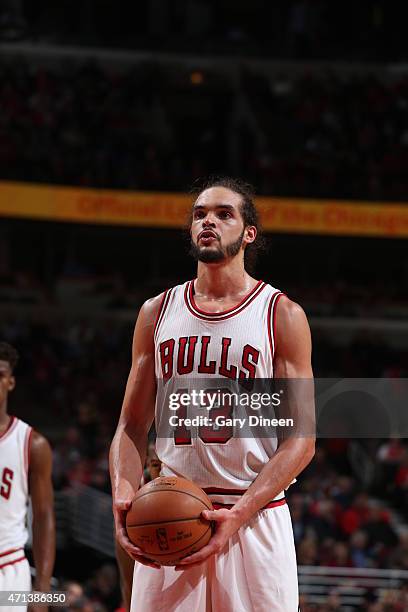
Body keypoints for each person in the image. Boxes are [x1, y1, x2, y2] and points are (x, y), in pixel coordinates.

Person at [110, 177, 315, 611]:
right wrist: (124, 493)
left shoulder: (282, 315)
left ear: (248, 233)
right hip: (169, 513)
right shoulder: (156, 312)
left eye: (224, 214)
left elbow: (301, 439)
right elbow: (131, 426)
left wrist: (239, 514)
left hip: (253, 516)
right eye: (200, 214)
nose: (209, 221)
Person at [0, 342, 55, 611]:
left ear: (10, 382)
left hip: (7, 569)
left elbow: (43, 518)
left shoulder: (32, 443)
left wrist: (42, 591)